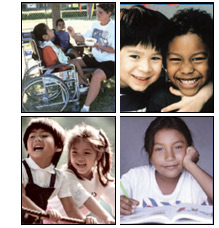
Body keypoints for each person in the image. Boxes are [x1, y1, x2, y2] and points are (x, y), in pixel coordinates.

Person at [120, 5, 213, 112]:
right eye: (135, 56)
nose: (145, 69)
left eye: (155, 58)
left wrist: (205, 94)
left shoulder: (162, 82)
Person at [120, 117, 213, 215]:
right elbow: (113, 197)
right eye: (160, 149)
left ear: (190, 149)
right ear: (149, 155)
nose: (169, 157)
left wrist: (190, 164)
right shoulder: (135, 177)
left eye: (177, 147)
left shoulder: (198, 180)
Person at [22, 118, 97, 224]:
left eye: (44, 136)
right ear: (27, 148)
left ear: (58, 146)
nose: (37, 139)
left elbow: (70, 208)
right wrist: (46, 214)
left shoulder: (59, 177)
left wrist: (85, 221)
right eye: (32, 136)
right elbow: (21, 198)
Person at [147, 9, 213, 112]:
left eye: (198, 59)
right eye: (176, 59)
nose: (187, 70)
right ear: (165, 64)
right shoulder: (160, 100)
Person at [47, 123, 115, 223]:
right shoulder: (66, 175)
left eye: (86, 153)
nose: (80, 158)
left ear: (98, 155)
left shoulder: (101, 177)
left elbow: (114, 195)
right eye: (75, 152)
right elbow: (83, 199)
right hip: (51, 219)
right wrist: (106, 218)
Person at [67, 3, 115, 112]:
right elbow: (83, 38)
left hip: (110, 61)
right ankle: (83, 83)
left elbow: (115, 50)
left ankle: (85, 107)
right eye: (97, 11)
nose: (97, 14)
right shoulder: (95, 24)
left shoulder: (114, 28)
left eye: (100, 12)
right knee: (72, 63)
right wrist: (73, 35)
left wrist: (98, 46)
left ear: (109, 13)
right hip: (95, 57)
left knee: (97, 76)